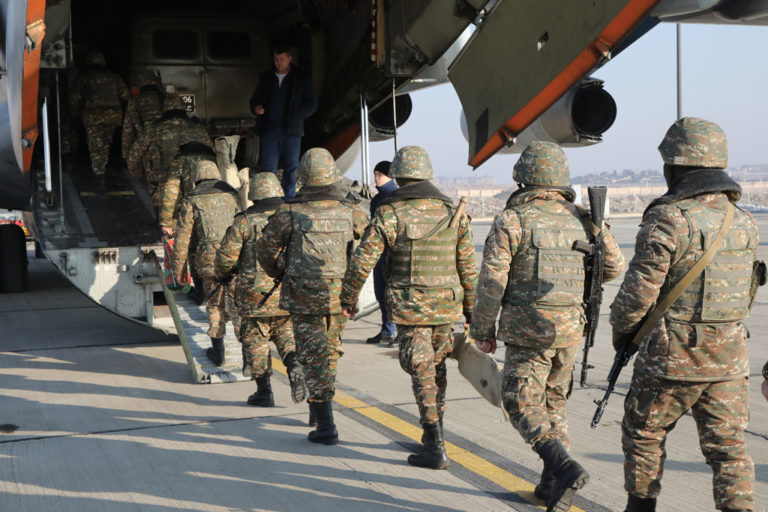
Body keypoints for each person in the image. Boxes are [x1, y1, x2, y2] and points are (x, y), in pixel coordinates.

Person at [610, 117, 758, 512]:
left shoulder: (669, 218)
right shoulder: (744, 221)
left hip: (671, 359)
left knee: (644, 434)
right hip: (728, 361)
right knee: (729, 450)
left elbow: (638, 294)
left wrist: (622, 334)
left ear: (675, 166)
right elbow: (746, 291)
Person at [470, 141, 625, 511]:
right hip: (570, 329)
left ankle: (564, 468)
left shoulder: (513, 220)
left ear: (523, 177)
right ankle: (550, 482)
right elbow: (615, 266)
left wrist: (483, 330)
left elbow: (492, 280)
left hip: (529, 330)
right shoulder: (585, 219)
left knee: (520, 401)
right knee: (554, 401)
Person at [340, 145, 477, 469]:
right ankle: (434, 436)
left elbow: (363, 260)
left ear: (399, 176)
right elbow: (468, 268)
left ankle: (434, 444)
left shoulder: (391, 212)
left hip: (411, 306)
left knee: (421, 370)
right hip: (445, 306)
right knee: (435, 369)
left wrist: (348, 298)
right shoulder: (452, 211)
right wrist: (472, 311)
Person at [256, 148, 368, 444]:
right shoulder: (352, 210)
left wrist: (280, 270)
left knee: (312, 356)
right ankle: (318, 411)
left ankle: (325, 424)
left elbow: (265, 250)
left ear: (303, 176)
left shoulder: (289, 212)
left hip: (303, 297)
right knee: (328, 354)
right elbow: (369, 244)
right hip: (338, 297)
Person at [214, 172, 307, 407]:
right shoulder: (292, 217)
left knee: (256, 341)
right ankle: (294, 364)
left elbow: (226, 258)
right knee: (287, 335)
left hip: (253, 296)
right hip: (287, 292)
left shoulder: (244, 222)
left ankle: (264, 392)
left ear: (254, 194)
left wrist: (223, 275)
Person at [172, 160, 240, 366]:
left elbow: (182, 239)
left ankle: (218, 354)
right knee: (238, 306)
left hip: (210, 261)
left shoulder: (192, 200)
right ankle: (250, 355)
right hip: (235, 257)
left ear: (197, 177)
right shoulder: (231, 196)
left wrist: (178, 271)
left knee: (215, 304)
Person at [249, 44, 318, 200]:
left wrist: (298, 115)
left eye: (282, 59)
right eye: (276, 59)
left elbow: (312, 102)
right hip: (269, 131)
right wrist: (255, 108)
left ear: (289, 58)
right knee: (268, 169)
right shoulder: (266, 78)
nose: (278, 62)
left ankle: (288, 201)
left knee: (291, 168)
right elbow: (254, 100)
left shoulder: (300, 78)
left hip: (292, 131)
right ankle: (269, 200)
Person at [127, 95, 211, 208]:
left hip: (164, 184)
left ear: (165, 109)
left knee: (165, 215)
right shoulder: (198, 129)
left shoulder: (153, 129)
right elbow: (212, 153)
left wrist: (137, 173)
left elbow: (134, 156)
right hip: (193, 183)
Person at [69, 50, 130, 185]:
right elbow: (126, 96)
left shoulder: (84, 78)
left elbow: (74, 98)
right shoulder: (115, 77)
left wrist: (74, 115)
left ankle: (99, 176)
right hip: (113, 116)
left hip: (93, 116)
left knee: (96, 145)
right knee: (105, 143)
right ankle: (101, 168)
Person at [365, 160, 398, 346]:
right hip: (380, 253)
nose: (376, 178)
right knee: (381, 293)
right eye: (375, 175)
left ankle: (396, 331)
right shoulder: (378, 199)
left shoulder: (394, 197)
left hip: (391, 253)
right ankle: (387, 330)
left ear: (390, 176)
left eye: (380, 175)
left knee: (392, 295)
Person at [121, 70, 164, 161]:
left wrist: (126, 154)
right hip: (166, 144)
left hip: (144, 145)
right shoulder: (165, 98)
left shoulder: (134, 101)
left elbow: (128, 130)